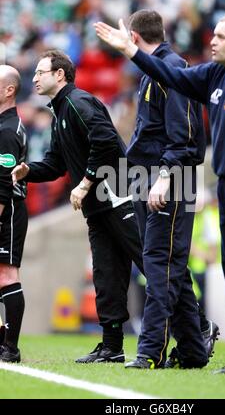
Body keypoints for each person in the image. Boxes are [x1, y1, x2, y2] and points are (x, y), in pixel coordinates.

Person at [94, 15, 225, 375]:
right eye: (213, 34)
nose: (212, 41)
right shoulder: (215, 75)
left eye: (221, 36)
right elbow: (173, 76)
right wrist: (131, 51)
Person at [12, 50, 144, 364]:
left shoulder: (78, 102)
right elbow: (57, 164)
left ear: (60, 75)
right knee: (106, 276)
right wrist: (29, 170)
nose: (34, 78)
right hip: (97, 208)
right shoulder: (59, 112)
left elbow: (107, 141)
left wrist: (85, 182)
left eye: (41, 72)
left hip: (120, 196)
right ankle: (112, 346)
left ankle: (198, 325)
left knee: (150, 262)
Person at [118, 10, 208, 370]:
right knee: (171, 267)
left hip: (167, 179)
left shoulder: (172, 69)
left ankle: (150, 351)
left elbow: (184, 136)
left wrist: (165, 177)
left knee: (159, 263)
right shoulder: (156, 70)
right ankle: (192, 350)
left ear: (135, 39)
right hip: (152, 177)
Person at [0, 65, 28, 363]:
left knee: (7, 274)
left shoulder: (7, 130)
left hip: (7, 211)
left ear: (9, 90)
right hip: (6, 209)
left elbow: (2, 184)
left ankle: (11, 347)